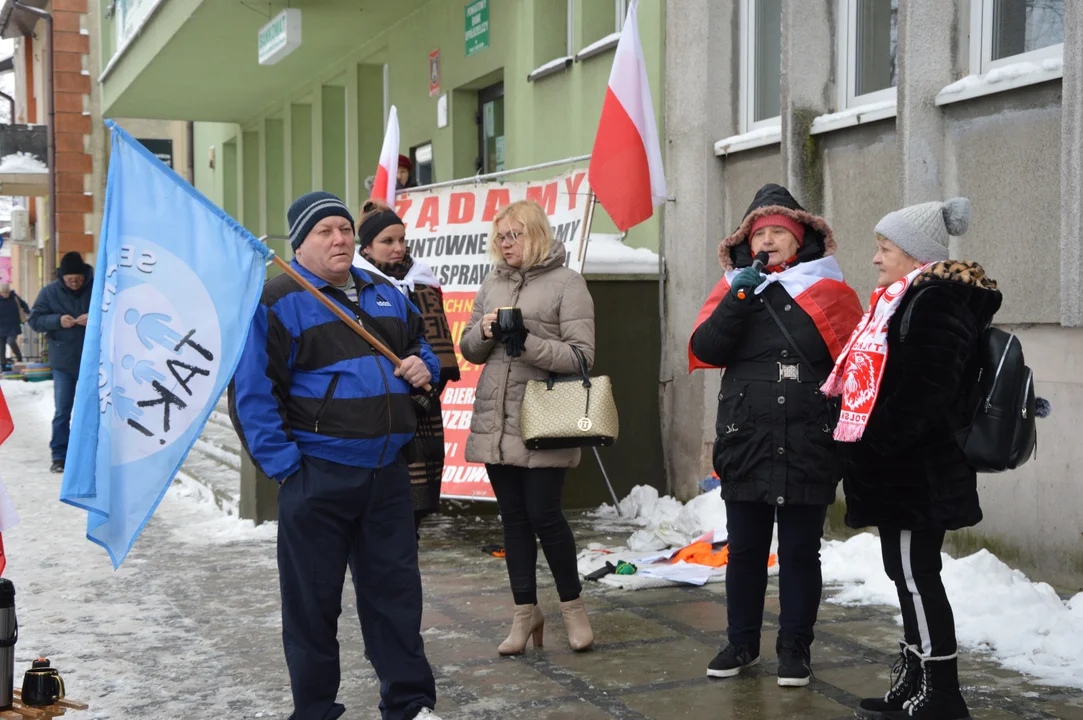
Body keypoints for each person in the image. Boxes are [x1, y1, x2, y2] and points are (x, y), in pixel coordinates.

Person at [229, 191, 443, 720]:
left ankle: (410, 703)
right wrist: (287, 470)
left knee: (395, 597)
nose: (340, 239)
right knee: (312, 605)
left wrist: (424, 369)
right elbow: (253, 394)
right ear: (300, 243)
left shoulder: (385, 293)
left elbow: (423, 350)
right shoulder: (277, 300)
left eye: (345, 229)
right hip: (317, 478)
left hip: (386, 477)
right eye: (325, 231)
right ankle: (316, 709)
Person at [825, 198, 999, 720]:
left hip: (917, 470)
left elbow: (927, 390)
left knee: (917, 575)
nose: (875, 259)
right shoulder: (904, 299)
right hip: (901, 469)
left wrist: (873, 445)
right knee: (904, 575)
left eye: (885, 249)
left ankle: (942, 693)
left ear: (914, 254)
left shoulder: (936, 302)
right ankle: (916, 678)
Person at [689, 184, 863, 686]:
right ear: (747, 243)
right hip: (748, 439)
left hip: (808, 438)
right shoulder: (734, 289)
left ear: (799, 240)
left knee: (800, 552)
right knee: (744, 550)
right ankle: (741, 643)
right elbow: (707, 347)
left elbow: (851, 363)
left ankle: (795, 649)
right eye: (759, 233)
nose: (767, 241)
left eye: (778, 234)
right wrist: (741, 294)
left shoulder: (831, 291)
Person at [460, 199, 597, 656]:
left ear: (536, 234)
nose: (505, 244)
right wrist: (482, 331)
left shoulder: (568, 284)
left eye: (514, 235)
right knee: (514, 521)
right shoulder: (492, 281)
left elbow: (581, 358)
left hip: (545, 420)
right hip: (497, 423)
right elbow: (469, 351)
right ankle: (525, 614)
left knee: (546, 517)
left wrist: (528, 342)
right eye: (500, 237)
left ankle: (573, 608)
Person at [353, 200, 460, 531]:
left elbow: (440, 356)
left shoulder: (422, 283)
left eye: (402, 240)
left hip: (421, 408)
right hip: (372, 408)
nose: (398, 248)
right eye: (388, 241)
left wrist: (423, 390)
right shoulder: (355, 286)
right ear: (367, 246)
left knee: (410, 513)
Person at [28, 252, 94, 474]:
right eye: (69, 280)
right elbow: (34, 320)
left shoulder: (98, 287)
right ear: (62, 278)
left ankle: (89, 455)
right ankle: (59, 456)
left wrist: (94, 318)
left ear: (85, 275)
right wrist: (57, 321)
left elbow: (116, 312)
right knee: (62, 411)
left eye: (78, 279)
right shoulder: (49, 292)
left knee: (91, 410)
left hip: (92, 361)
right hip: (63, 361)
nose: (74, 283)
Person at [0, 283, 30, 368]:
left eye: (6, 293)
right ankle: (3, 366)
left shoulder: (14, 297)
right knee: (1, 348)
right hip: (1, 326)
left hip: (12, 325)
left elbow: (24, 304)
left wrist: (28, 312)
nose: (5, 295)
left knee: (11, 341)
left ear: (9, 292)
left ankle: (19, 357)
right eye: (3, 293)